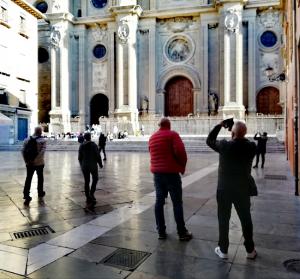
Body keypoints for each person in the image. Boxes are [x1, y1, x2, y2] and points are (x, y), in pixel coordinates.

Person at [206, 120, 257, 260]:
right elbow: (244, 141)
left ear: (232, 133)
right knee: (246, 218)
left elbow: (209, 140)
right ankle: (250, 250)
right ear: (245, 133)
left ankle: (223, 250)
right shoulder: (252, 147)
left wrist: (219, 125)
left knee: (223, 219)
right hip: (242, 189)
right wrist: (237, 134)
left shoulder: (224, 146)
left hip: (224, 190)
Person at [148, 117, 192, 241]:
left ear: (159, 125)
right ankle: (181, 232)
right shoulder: (172, 135)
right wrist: (181, 166)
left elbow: (151, 152)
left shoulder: (152, 137)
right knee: (177, 203)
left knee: (159, 202)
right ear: (169, 125)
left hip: (157, 175)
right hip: (172, 174)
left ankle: (161, 231)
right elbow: (181, 152)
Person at [22, 126, 46, 205]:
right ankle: (40, 192)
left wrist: (27, 161)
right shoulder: (42, 140)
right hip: (39, 163)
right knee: (40, 178)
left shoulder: (27, 139)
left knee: (28, 178)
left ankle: (26, 194)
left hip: (29, 163)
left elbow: (23, 151)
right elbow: (42, 152)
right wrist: (35, 160)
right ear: (40, 132)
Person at [78, 132, 103, 206]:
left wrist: (81, 165)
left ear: (85, 138)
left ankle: (88, 196)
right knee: (95, 179)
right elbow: (98, 155)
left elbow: (79, 157)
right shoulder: (94, 145)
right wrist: (100, 164)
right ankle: (91, 193)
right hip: (93, 166)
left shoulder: (81, 145)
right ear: (90, 137)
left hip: (85, 166)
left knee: (86, 181)